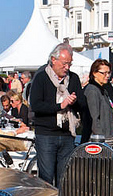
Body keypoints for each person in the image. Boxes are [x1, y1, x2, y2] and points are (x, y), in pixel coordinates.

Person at [30, 43, 86, 186]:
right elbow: (36, 105)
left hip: (67, 134)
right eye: (64, 63)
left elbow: (83, 104)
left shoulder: (73, 78)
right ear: (53, 60)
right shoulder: (41, 78)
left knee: (65, 178)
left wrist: (73, 102)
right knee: (46, 177)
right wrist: (59, 106)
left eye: (70, 64)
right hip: (47, 134)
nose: (67, 67)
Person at [82, 59, 113, 143]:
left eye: (108, 73)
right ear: (94, 73)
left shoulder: (103, 90)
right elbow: (94, 118)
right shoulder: (92, 91)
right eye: (103, 73)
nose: (107, 76)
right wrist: (100, 139)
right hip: (97, 140)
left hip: (107, 136)